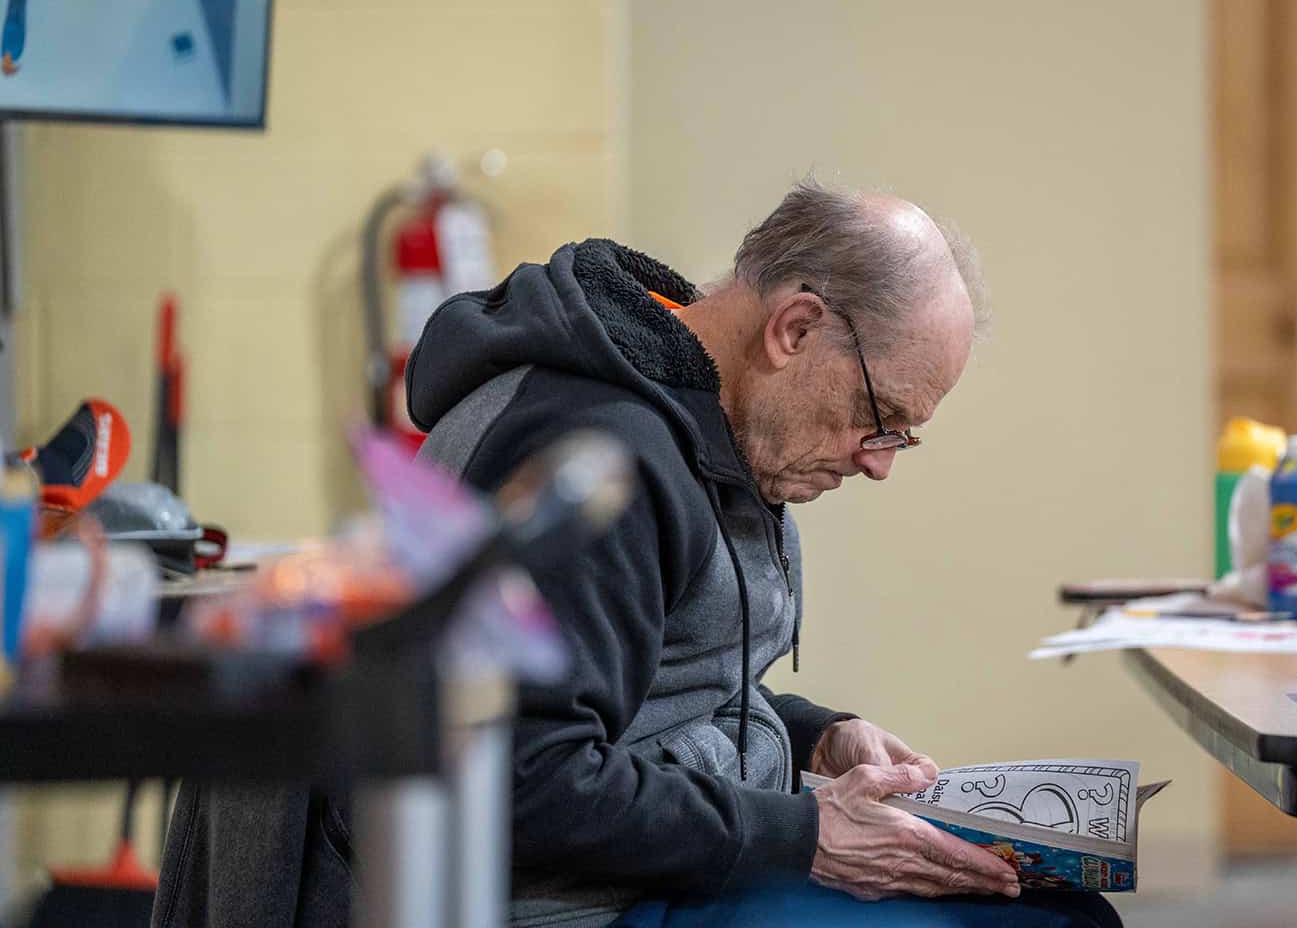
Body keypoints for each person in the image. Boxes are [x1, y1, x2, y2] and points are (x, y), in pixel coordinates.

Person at [149, 180, 1120, 928]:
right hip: (557, 903)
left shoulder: (695, 413)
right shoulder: (597, 455)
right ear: (795, 328)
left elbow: (632, 681)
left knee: (1056, 903)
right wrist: (807, 833)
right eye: (879, 416)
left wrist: (813, 735)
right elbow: (512, 768)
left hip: (646, 863)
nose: (878, 461)